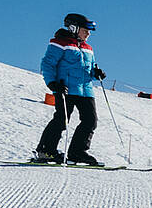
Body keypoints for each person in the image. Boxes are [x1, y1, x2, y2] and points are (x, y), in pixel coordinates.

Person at [35, 13, 106, 165]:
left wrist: (96, 73)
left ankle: (77, 152)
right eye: (85, 30)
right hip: (65, 88)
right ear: (74, 28)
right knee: (61, 120)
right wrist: (52, 83)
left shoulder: (88, 48)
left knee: (90, 121)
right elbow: (48, 64)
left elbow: (89, 68)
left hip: (86, 90)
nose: (88, 34)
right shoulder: (60, 43)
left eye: (89, 31)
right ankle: (46, 151)